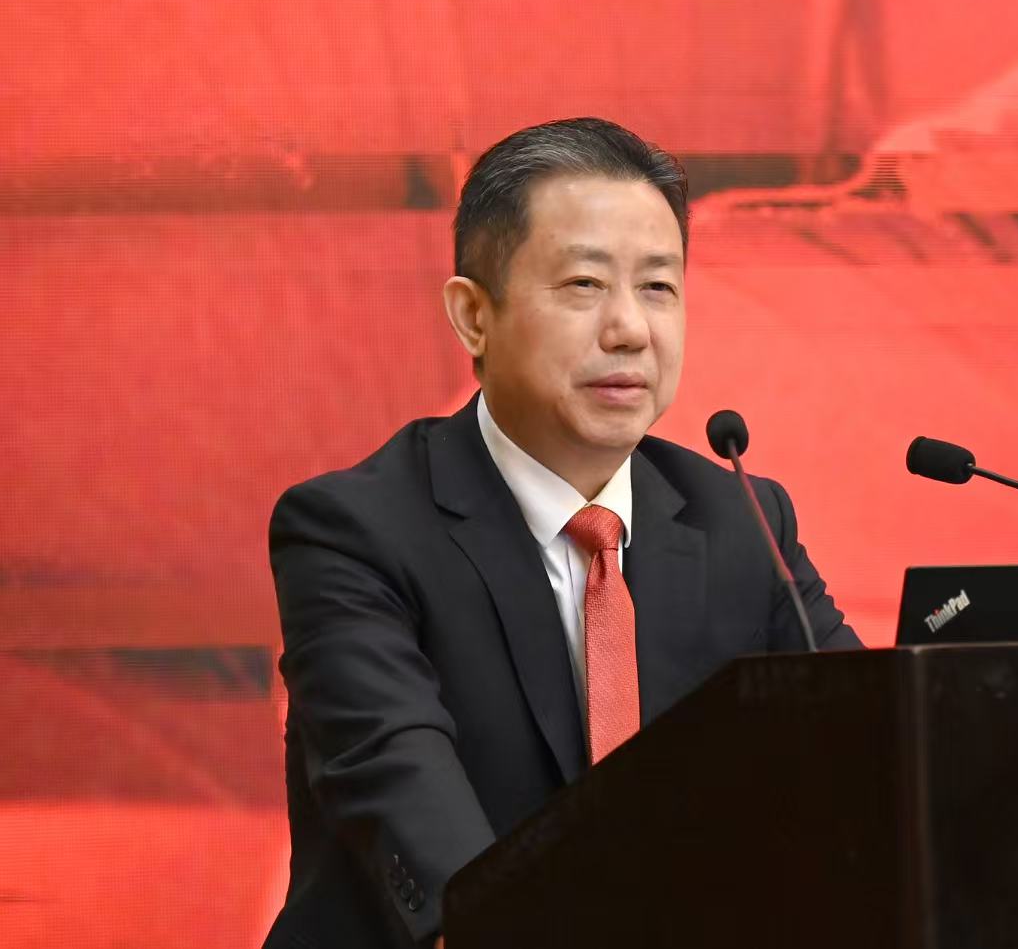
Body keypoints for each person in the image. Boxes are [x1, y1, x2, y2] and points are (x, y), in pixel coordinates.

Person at [263, 117, 860, 949]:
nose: (630, 329)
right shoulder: (354, 533)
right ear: (474, 317)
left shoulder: (742, 521)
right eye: (584, 284)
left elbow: (868, 764)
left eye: (658, 287)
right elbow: (425, 832)